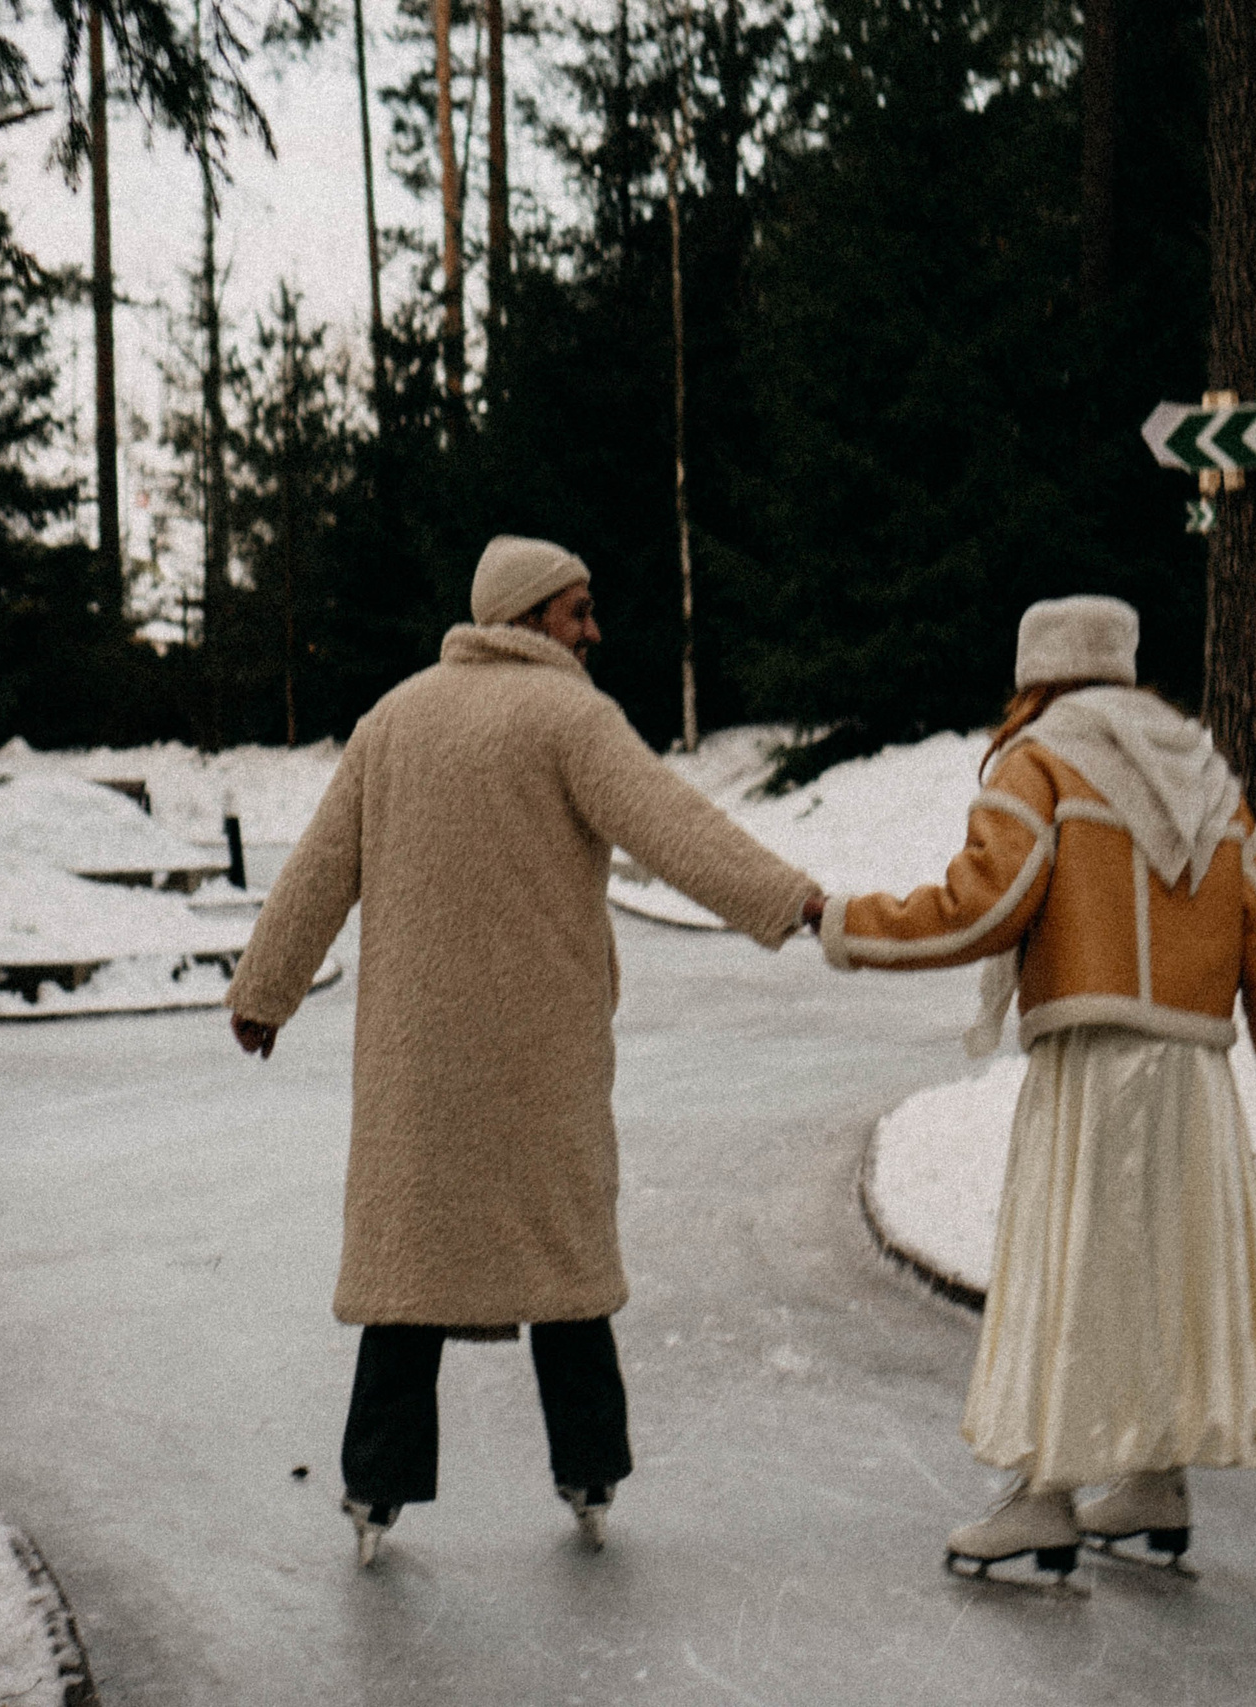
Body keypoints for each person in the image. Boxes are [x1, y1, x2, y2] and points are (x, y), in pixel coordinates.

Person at [225, 535, 825, 1566]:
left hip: (420, 1068)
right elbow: (677, 829)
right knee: (563, 1265)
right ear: (528, 614)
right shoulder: (568, 718)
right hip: (541, 1060)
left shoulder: (394, 718)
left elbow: (320, 867)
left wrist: (264, 990)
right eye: (577, 610)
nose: (593, 630)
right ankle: (589, 1468)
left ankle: (376, 1483)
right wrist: (791, 899)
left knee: (411, 1273)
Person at [814, 595, 1256, 1585]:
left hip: (1095, 1061)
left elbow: (982, 909)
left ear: (1036, 673)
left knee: (1071, 1278)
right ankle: (1154, 1479)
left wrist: (848, 922)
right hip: (1192, 1075)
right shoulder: (1203, 773)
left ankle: (1044, 1498)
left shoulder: (1043, 761)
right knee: (1160, 1274)